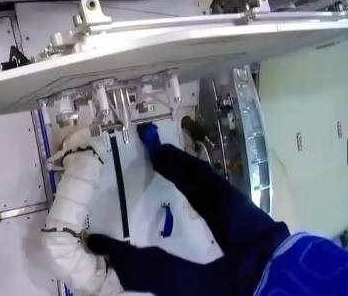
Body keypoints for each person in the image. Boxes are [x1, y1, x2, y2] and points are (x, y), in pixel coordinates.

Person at [85, 123, 348, 295]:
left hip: (247, 292)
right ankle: (161, 153)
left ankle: (114, 255)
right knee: (214, 192)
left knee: (170, 278)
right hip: (280, 248)